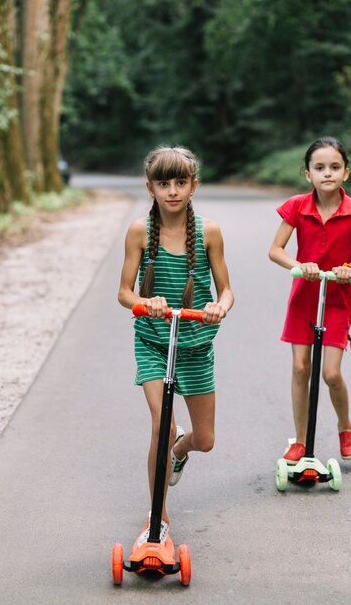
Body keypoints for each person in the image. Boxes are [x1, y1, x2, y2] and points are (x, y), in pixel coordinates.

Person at [118, 145, 234, 545]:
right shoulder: (139, 231)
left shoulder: (209, 232)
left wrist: (218, 307)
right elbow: (123, 293)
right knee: (161, 426)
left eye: (180, 182)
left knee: (205, 440)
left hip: (196, 344)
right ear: (149, 187)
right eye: (163, 183)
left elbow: (227, 290)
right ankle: (158, 517)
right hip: (154, 341)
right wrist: (144, 302)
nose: (172, 191)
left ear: (193, 185)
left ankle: (180, 451)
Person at [269, 136, 351, 464]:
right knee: (301, 367)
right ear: (308, 174)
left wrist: (347, 269)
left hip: (338, 298)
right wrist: (299, 266)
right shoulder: (297, 207)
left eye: (334, 167)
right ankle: (300, 440)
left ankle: (345, 426)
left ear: (346, 173)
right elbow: (275, 250)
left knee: (330, 373)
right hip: (304, 296)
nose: (327, 173)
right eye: (319, 168)